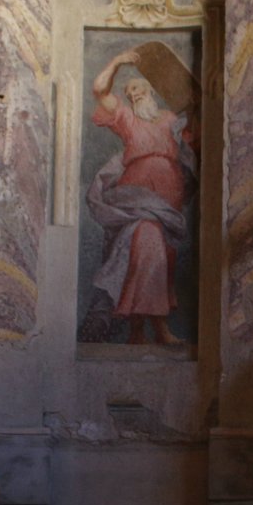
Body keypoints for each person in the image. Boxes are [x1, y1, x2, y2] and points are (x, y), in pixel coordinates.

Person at [86, 48, 197, 345]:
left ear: (150, 91)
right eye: (129, 91)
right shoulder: (126, 119)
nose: (133, 94)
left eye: (137, 89)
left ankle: (147, 331)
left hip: (169, 192)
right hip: (137, 193)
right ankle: (148, 328)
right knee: (145, 246)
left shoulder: (171, 119)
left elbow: (196, 140)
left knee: (164, 259)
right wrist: (117, 61)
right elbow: (99, 89)